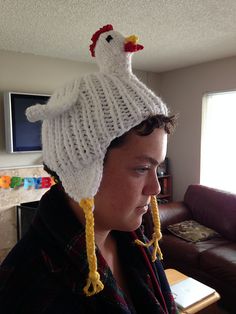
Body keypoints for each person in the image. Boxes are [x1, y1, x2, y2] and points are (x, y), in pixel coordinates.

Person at [0, 25, 178, 313]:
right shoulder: (26, 288)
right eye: (141, 168)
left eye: (155, 168)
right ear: (82, 169)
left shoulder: (136, 240)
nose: (156, 189)